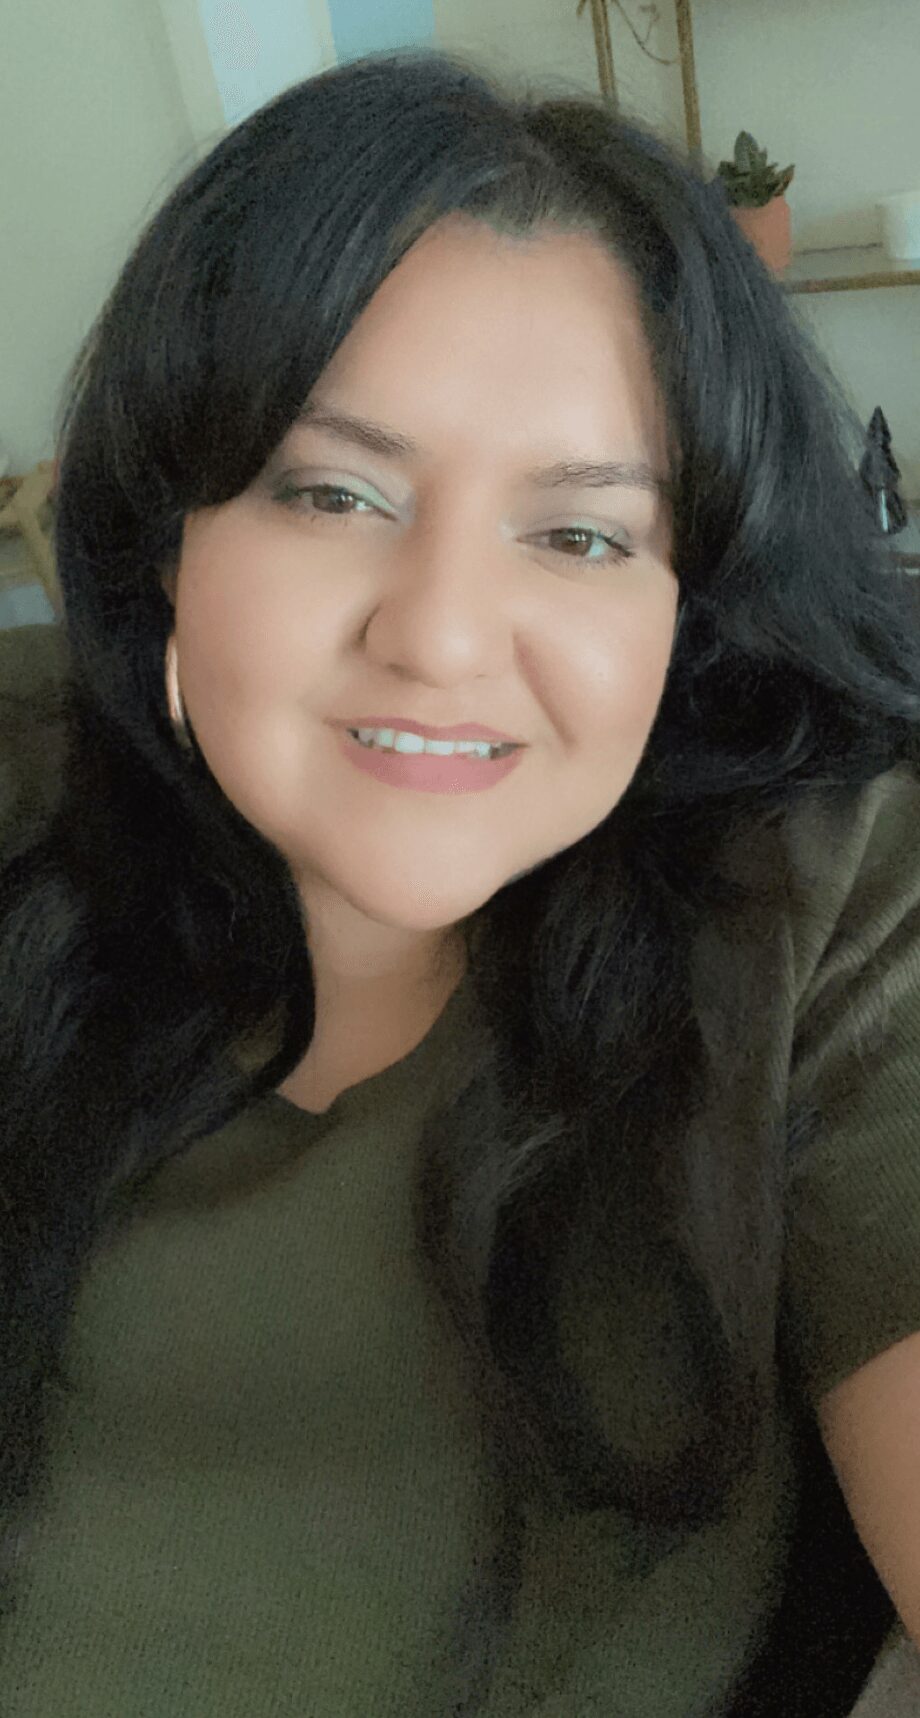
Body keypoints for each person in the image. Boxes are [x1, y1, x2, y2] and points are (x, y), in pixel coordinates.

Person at [1, 44, 919, 1718]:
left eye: (579, 535)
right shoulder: (28, 822)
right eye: (333, 491)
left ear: (683, 615)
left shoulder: (826, 909)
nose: (434, 633)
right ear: (166, 544)